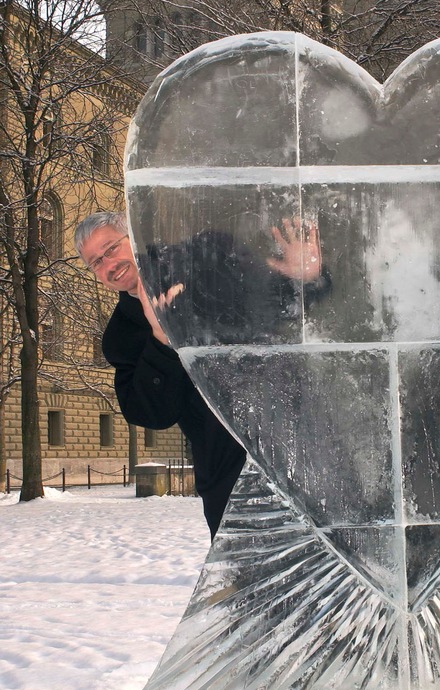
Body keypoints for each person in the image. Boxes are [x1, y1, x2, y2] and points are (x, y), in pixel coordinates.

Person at [74, 211, 322, 539]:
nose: (109, 264)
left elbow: (275, 306)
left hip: (301, 442)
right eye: (96, 262)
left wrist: (306, 279)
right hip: (227, 476)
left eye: (111, 249)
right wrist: (161, 340)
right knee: (250, 580)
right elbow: (151, 413)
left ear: (133, 237)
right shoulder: (121, 337)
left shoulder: (206, 255)